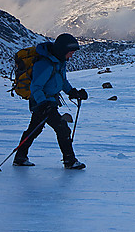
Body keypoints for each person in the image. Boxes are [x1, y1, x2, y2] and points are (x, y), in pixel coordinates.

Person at [13, 33, 89, 169]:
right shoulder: (45, 64)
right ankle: (70, 160)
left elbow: (62, 81)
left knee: (34, 129)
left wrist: (72, 92)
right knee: (62, 128)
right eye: (70, 53)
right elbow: (35, 87)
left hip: (49, 102)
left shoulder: (59, 61)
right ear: (62, 50)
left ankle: (20, 157)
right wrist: (43, 104)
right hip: (41, 102)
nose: (71, 56)